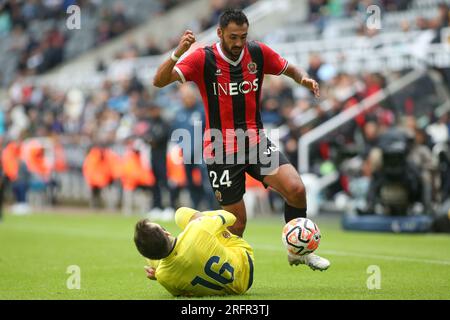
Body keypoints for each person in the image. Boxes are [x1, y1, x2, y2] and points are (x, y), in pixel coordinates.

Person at [153, 8, 329, 269]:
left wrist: (302, 78)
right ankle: (215, 270)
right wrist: (178, 52)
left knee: (296, 189)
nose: (238, 43)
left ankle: (298, 251)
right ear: (220, 33)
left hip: (256, 144)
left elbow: (287, 67)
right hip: (220, 150)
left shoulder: (257, 53)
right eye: (233, 37)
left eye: (242, 37)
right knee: (237, 225)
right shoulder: (203, 58)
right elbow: (159, 81)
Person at [134, 207, 254, 296]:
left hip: (228, 290)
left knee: (158, 262)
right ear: (166, 233)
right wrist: (201, 219)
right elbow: (230, 217)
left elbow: (182, 294)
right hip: (245, 263)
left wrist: (158, 275)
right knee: (181, 215)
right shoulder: (196, 228)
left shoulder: (163, 276)